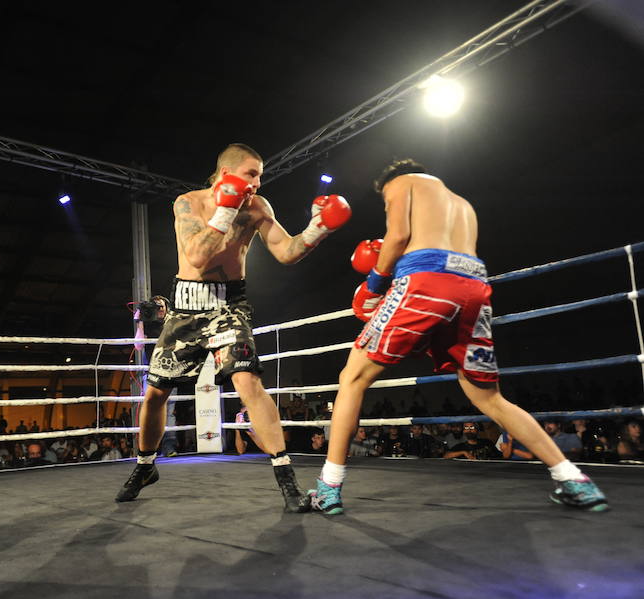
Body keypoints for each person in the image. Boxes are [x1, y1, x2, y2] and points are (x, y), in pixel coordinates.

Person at [311, 159, 608, 515]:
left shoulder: (400, 184)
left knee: (353, 378)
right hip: (474, 287)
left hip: (426, 281)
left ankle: (328, 486)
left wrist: (374, 284)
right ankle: (572, 478)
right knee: (490, 399)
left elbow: (400, 237)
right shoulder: (463, 204)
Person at [115, 143, 351, 512]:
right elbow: (196, 255)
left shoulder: (258, 207)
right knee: (156, 393)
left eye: (260, 174)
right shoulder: (187, 203)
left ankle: (286, 477)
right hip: (186, 305)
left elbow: (287, 252)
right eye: (251, 173)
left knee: (247, 381)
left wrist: (318, 229)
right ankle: (145, 466)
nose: (258, 182)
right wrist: (226, 209)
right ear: (226, 173)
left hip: (229, 305)